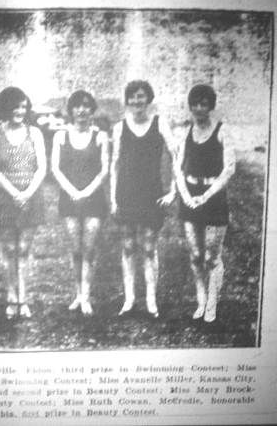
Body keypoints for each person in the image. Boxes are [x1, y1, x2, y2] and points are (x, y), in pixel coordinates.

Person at [110, 80, 177, 318]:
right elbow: (115, 164)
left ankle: (151, 300)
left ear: (148, 99)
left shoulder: (160, 124)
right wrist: (113, 198)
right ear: (127, 101)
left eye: (141, 97)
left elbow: (176, 155)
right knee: (128, 247)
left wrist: (173, 191)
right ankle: (129, 300)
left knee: (149, 248)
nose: (137, 101)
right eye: (133, 97)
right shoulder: (119, 128)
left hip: (151, 195)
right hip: (126, 195)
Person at [175, 84, 235, 323]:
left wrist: (207, 195)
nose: (199, 108)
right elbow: (178, 169)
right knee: (195, 255)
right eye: (195, 104)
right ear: (190, 107)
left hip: (214, 199)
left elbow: (229, 168)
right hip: (190, 198)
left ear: (211, 106)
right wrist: (186, 196)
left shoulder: (222, 131)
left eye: (204, 103)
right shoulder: (185, 132)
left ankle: (212, 304)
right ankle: (201, 301)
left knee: (212, 257)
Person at [0, 87, 46, 319]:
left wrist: (27, 193)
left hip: (31, 199)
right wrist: (14, 193)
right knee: (9, 249)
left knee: (23, 250)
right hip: (4, 199)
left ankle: (24, 299)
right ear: (6, 108)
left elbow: (42, 167)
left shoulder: (36, 133)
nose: (20, 111)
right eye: (15, 106)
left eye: (23, 106)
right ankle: (11, 298)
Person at [51, 90, 109, 316]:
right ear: (71, 110)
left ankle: (86, 296)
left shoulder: (100, 136)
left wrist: (87, 191)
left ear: (91, 109)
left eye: (86, 106)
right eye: (77, 106)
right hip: (69, 198)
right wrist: (73, 191)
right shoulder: (60, 136)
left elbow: (104, 169)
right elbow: (55, 168)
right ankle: (77, 294)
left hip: (93, 198)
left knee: (89, 249)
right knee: (75, 249)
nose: (82, 110)